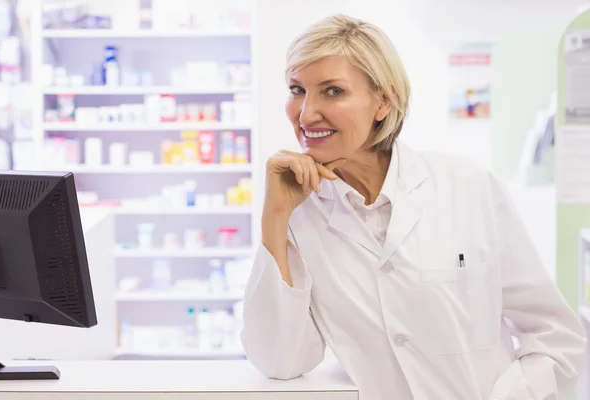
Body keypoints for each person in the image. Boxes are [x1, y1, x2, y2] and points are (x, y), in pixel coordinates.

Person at [241, 13, 587, 400]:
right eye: (297, 89)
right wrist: (275, 217)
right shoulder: (300, 213)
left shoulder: (465, 185)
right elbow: (279, 359)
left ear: (383, 102)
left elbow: (556, 335)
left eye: (332, 91)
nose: (305, 114)